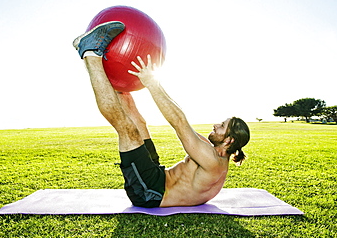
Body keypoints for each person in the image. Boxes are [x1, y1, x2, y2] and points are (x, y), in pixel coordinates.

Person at [73, 21, 250, 208]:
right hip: (159, 175)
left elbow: (179, 123)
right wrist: (127, 80)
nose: (216, 125)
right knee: (139, 123)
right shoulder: (212, 151)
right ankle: (112, 83)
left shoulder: (213, 161)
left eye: (222, 126)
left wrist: (152, 83)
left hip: (151, 193)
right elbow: (183, 121)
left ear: (229, 140)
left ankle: (90, 54)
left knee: (128, 131)